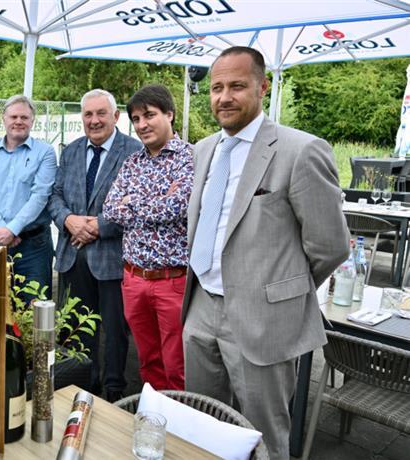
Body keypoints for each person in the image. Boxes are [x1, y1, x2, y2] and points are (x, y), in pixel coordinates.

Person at [182, 46, 349, 459]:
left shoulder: (301, 150)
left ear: (263, 86)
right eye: (217, 87)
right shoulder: (203, 150)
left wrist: (279, 290)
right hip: (201, 306)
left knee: (264, 437)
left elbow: (330, 246)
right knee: (204, 424)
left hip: (263, 318)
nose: (224, 96)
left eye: (237, 85)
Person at [48, 89, 141, 401]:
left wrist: (97, 227)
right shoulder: (71, 151)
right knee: (75, 327)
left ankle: (114, 393)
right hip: (73, 257)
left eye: (101, 113)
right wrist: (67, 220)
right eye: (88, 114)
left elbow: (135, 206)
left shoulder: (134, 151)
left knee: (114, 333)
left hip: (112, 259)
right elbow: (55, 196)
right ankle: (81, 386)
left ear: (116, 117)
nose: (94, 120)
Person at [103, 84, 192, 392]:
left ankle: (181, 428)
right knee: (148, 360)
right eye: (136, 119)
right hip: (134, 278)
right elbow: (111, 209)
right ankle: (155, 418)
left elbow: (178, 207)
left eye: (149, 116)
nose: (142, 125)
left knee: (177, 363)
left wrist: (135, 202)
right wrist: (155, 201)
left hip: (173, 280)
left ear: (170, 114)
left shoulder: (190, 158)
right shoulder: (132, 162)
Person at [0, 95, 57, 297]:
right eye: (14, 116)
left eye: (24, 117)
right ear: (4, 119)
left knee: (35, 307)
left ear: (32, 121)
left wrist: (12, 229)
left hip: (34, 247)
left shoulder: (45, 153)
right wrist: (2, 228)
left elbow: (40, 195)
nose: (18, 121)